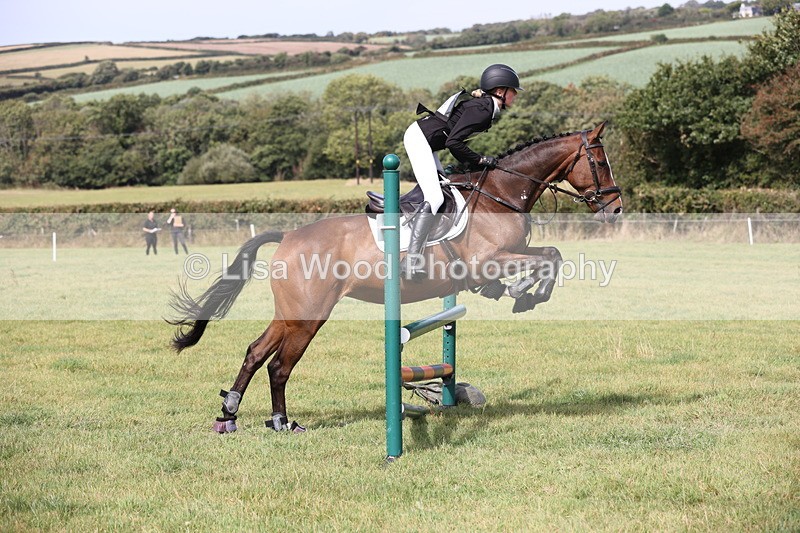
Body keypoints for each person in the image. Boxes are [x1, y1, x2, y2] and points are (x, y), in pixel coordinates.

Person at [402, 63, 523, 280]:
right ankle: (411, 260)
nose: (515, 95)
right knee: (435, 197)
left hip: (429, 144)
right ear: (500, 91)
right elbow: (453, 143)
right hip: (419, 140)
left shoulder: (487, 107)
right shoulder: (483, 110)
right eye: (512, 90)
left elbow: (453, 141)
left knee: (447, 189)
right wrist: (479, 160)